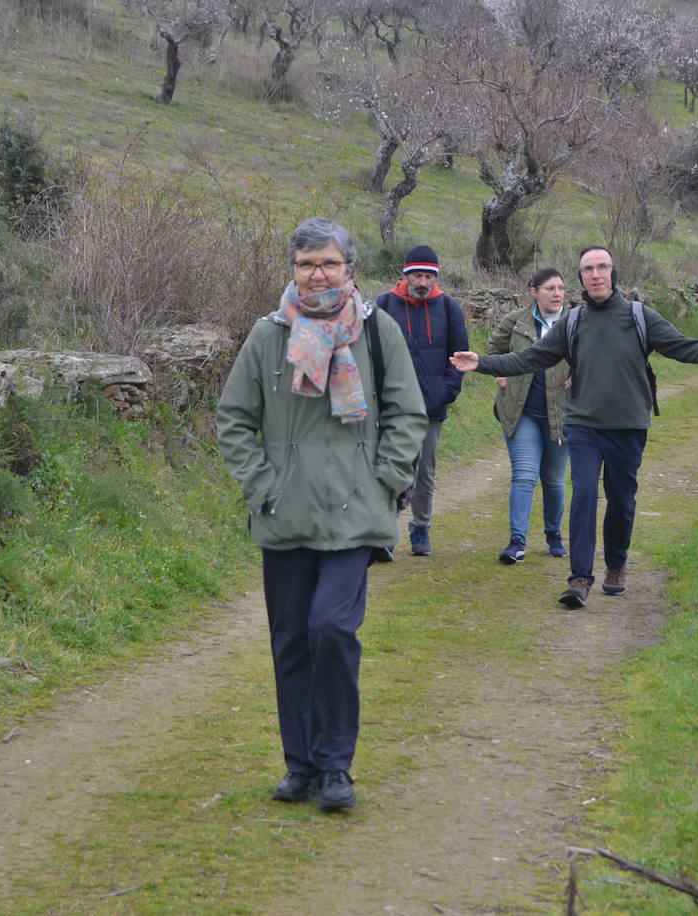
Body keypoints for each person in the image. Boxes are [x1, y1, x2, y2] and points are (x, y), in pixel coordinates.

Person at [216, 218, 427, 812]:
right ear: (293, 270)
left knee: (332, 630)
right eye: (307, 263)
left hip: (354, 513)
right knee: (291, 640)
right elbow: (233, 419)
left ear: (349, 268)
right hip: (284, 515)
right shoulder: (268, 335)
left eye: (329, 263)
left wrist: (385, 479)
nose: (318, 274)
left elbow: (407, 413)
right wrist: (263, 485)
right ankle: (301, 765)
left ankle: (336, 767)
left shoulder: (378, 331)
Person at [450, 246, 698, 608]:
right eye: (588, 269)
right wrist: (484, 363)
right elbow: (532, 357)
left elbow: (680, 347)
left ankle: (616, 563)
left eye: (602, 267)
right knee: (583, 495)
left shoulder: (639, 316)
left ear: (613, 273)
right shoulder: (573, 321)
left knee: (621, 501)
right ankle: (579, 577)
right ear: (580, 277)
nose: (595, 274)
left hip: (628, 425)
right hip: (583, 425)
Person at [376, 245, 469, 557]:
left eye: (429, 275)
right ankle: (386, 533)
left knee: (424, 470)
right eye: (417, 274)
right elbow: (372, 353)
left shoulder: (449, 308)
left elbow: (460, 357)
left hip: (431, 407)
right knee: (392, 467)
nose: (423, 281)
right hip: (392, 407)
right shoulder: (385, 304)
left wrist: (447, 391)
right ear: (405, 275)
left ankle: (421, 528)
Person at [489, 268, 571, 565]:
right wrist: (500, 372)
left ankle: (554, 536)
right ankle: (517, 542)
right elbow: (495, 350)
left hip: (561, 414)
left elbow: (589, 356)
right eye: (550, 288)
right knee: (523, 475)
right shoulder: (515, 322)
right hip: (521, 411)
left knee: (553, 479)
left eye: (561, 288)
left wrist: (578, 375)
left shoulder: (574, 323)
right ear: (533, 292)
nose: (557, 293)